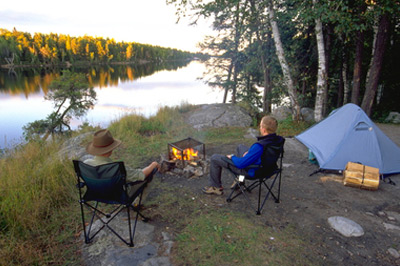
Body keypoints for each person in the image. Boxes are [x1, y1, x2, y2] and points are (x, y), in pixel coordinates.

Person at [202, 115, 284, 195]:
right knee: (240, 147)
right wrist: (250, 153)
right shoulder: (278, 140)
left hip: (254, 171)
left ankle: (215, 187)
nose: (260, 128)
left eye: (260, 126)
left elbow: (240, 164)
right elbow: (265, 154)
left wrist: (232, 157)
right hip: (269, 169)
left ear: (264, 129)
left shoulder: (260, 145)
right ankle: (240, 180)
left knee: (215, 158)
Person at [84, 129, 160, 201]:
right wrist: (153, 164)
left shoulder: (86, 164)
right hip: (119, 196)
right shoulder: (116, 168)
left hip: (96, 194)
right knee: (149, 175)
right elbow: (141, 175)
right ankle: (136, 204)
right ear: (110, 149)